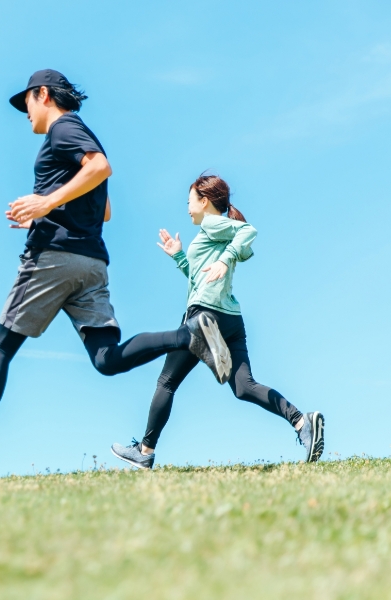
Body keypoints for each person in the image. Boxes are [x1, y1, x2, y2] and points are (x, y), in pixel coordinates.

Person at [0, 70, 232, 475]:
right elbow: (103, 209)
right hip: (91, 263)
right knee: (106, 359)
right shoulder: (80, 137)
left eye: (28, 104)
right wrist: (47, 210)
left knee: (0, 345)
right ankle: (188, 334)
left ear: (43, 95)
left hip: (52, 258)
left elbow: (100, 167)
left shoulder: (64, 129)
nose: (26, 114)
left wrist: (43, 205)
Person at [110, 174, 325, 469]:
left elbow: (249, 231)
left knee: (167, 381)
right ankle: (302, 422)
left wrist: (225, 260)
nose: (187, 208)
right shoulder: (213, 234)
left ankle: (145, 451)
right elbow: (201, 279)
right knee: (243, 386)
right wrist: (179, 258)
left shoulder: (213, 224)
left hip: (204, 316)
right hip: (230, 319)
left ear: (204, 201)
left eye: (189, 201)